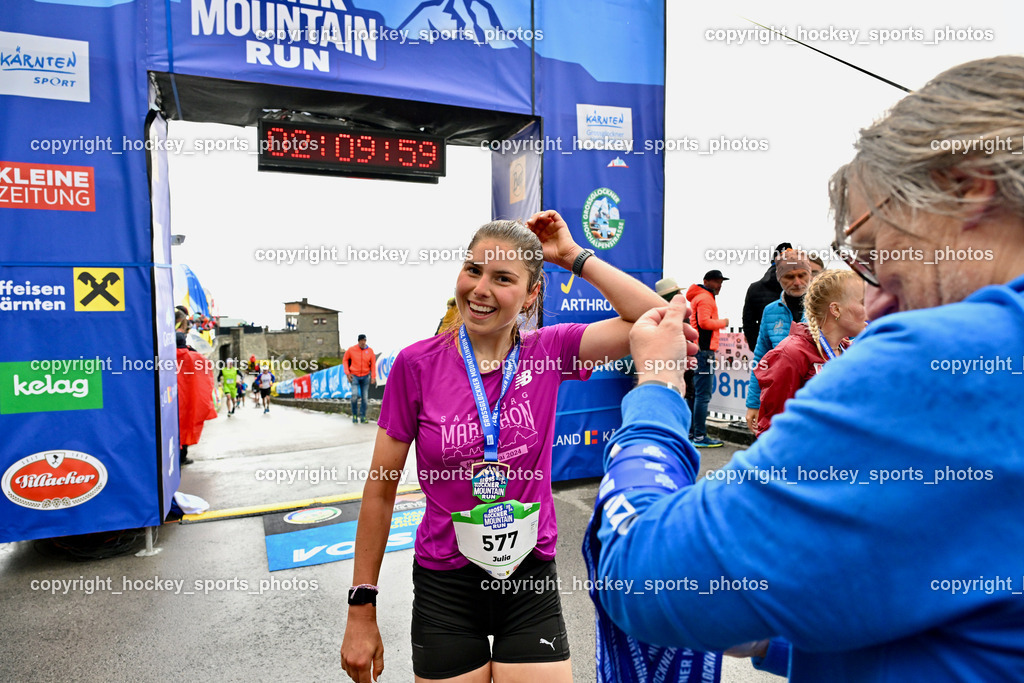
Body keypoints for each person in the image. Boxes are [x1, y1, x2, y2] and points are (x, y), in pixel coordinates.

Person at [587, 56, 1024, 681]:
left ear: (968, 187)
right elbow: (977, 623)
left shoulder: (943, 360)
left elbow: (646, 577)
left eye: (874, 253)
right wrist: (777, 642)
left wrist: (655, 395)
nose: (874, 302)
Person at [340, 211, 665, 683]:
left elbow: (656, 316)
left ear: (533, 293)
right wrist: (361, 607)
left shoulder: (550, 350)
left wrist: (574, 256)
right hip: (445, 582)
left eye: (503, 278)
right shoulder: (416, 365)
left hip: (530, 577)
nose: (480, 289)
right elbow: (380, 491)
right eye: (473, 270)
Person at [754, 270, 866, 435]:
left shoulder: (849, 350)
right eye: (863, 302)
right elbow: (773, 428)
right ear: (835, 309)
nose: (870, 308)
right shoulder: (791, 353)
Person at [744, 250, 811, 433]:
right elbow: (761, 359)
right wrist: (753, 403)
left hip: (815, 398)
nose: (797, 282)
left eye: (802, 275)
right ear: (779, 279)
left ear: (810, 274)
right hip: (779, 398)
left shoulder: (826, 307)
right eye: (789, 277)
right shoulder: (770, 311)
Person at [684, 270, 729, 447]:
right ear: (706, 282)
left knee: (694, 394)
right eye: (717, 282)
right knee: (703, 395)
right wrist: (723, 323)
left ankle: (691, 433)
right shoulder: (705, 298)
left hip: (697, 350)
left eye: (721, 282)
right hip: (704, 352)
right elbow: (704, 323)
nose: (720, 286)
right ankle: (700, 437)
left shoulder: (699, 297)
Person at [175, 310, 216, 466]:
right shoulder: (196, 358)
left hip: (170, 398)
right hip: (188, 401)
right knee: (185, 426)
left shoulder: (164, 356)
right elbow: (207, 378)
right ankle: (182, 456)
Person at [741, 242, 791, 350]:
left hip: (766, 349)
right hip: (795, 350)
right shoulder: (799, 287)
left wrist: (757, 347)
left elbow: (748, 322)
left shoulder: (754, 288)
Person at [343, 334, 376, 424]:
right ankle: (354, 415)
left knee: (365, 398)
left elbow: (373, 364)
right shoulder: (351, 350)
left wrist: (373, 376)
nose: (363, 342)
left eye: (364, 340)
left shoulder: (370, 351)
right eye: (361, 340)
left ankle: (363, 416)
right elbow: (345, 360)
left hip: (365, 376)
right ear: (358, 341)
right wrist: (347, 372)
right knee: (354, 396)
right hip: (354, 376)